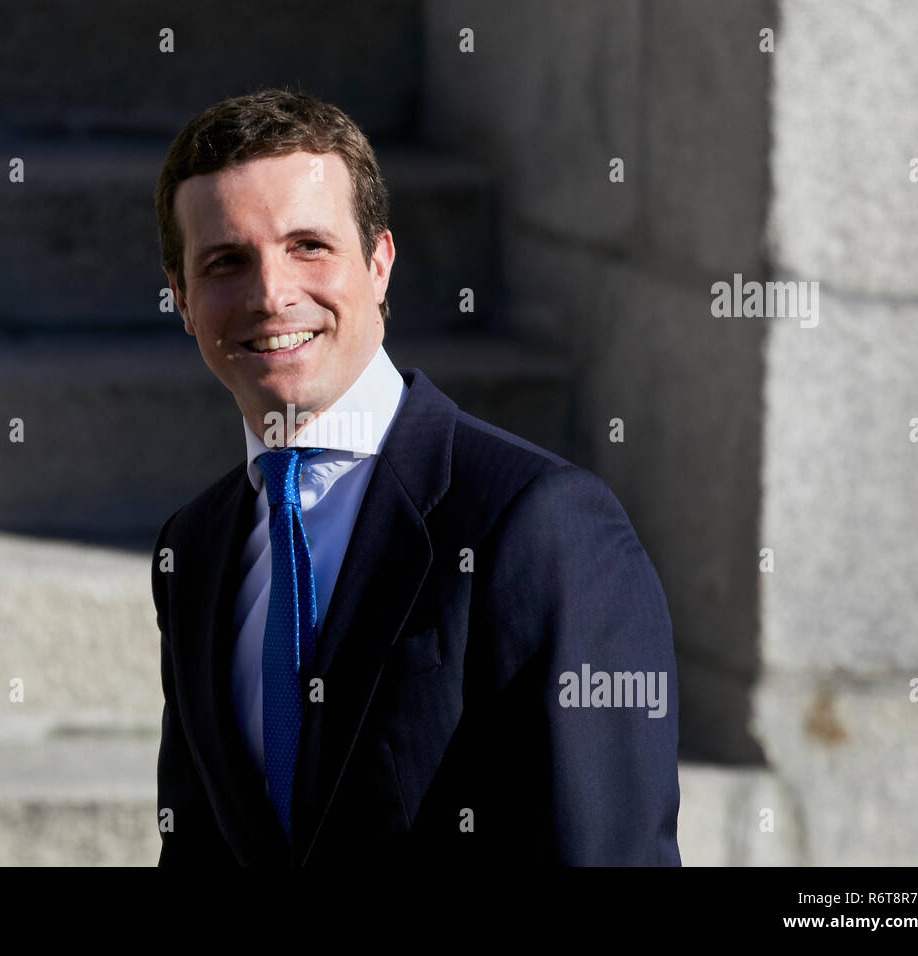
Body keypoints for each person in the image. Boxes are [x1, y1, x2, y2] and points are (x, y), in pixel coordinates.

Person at [150, 88, 681, 866]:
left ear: (379, 264)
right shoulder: (192, 549)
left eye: (310, 246)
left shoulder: (537, 521)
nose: (271, 295)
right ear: (182, 299)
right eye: (227, 261)